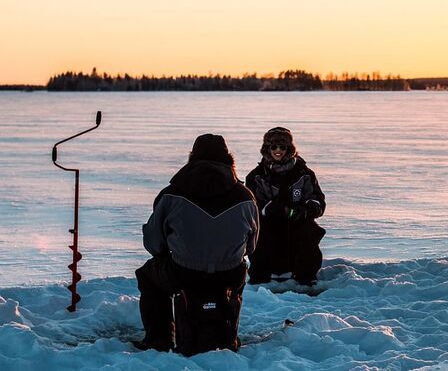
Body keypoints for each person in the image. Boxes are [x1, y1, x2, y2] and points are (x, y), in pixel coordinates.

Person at [135, 134, 258, 352]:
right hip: (229, 272)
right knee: (238, 278)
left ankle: (158, 339)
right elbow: (251, 245)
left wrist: (168, 252)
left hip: (184, 272)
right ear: (228, 158)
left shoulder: (171, 194)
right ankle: (229, 333)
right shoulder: (245, 196)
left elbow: (154, 242)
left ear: (192, 157)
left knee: (148, 276)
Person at [245, 127, 326, 286]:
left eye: (282, 147)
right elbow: (252, 203)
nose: (278, 150)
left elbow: (317, 200)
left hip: (297, 219)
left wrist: (305, 210)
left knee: (310, 231)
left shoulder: (304, 173)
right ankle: (261, 278)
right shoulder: (256, 176)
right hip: (267, 221)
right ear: (266, 149)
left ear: (289, 148)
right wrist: (270, 208)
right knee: (258, 233)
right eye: (273, 147)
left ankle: (306, 277)